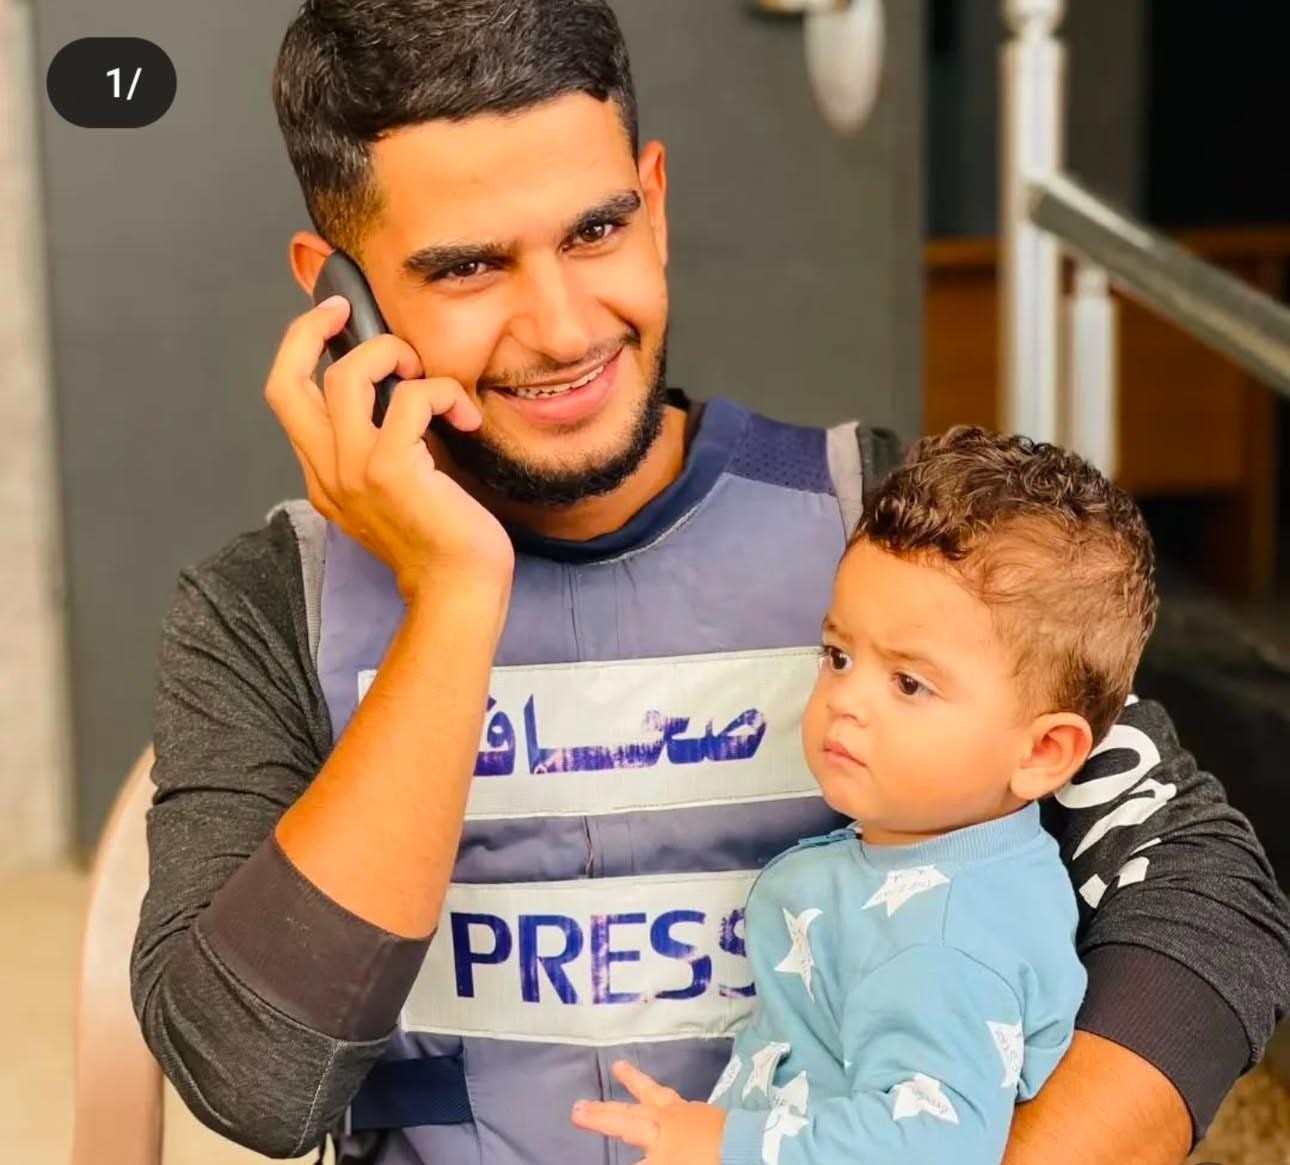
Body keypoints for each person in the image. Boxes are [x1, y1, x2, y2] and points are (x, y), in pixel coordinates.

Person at [129, 2, 1290, 1164]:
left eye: (597, 230)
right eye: (470, 266)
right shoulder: (265, 609)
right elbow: (250, 1080)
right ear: (339, 293)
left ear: (656, 202)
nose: (563, 328)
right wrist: (453, 598)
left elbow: (1208, 893)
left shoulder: (899, 540)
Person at [569, 427, 1154, 1165]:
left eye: (909, 683)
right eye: (839, 656)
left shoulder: (948, 938)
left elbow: (932, 1145)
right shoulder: (925, 857)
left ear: (1042, 753)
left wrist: (723, 1142)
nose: (845, 700)